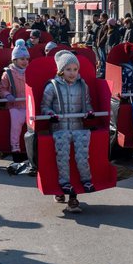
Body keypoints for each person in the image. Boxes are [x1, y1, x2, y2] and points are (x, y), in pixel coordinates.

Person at [41, 51, 96, 213]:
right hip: (60, 128)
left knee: (82, 156)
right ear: (61, 71)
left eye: (75, 69)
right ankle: (64, 184)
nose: (72, 73)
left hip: (78, 127)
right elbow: (44, 106)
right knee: (63, 156)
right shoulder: (52, 86)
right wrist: (50, 115)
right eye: (68, 69)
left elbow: (87, 103)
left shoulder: (82, 85)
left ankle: (85, 180)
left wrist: (89, 112)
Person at [0, 39, 29, 162]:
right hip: (14, 106)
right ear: (14, 60)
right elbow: (2, 89)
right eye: (22, 59)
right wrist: (7, 95)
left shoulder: (31, 71)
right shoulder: (8, 73)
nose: (25, 62)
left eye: (27, 59)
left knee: (33, 126)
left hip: (28, 104)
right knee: (16, 125)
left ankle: (30, 150)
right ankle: (15, 149)